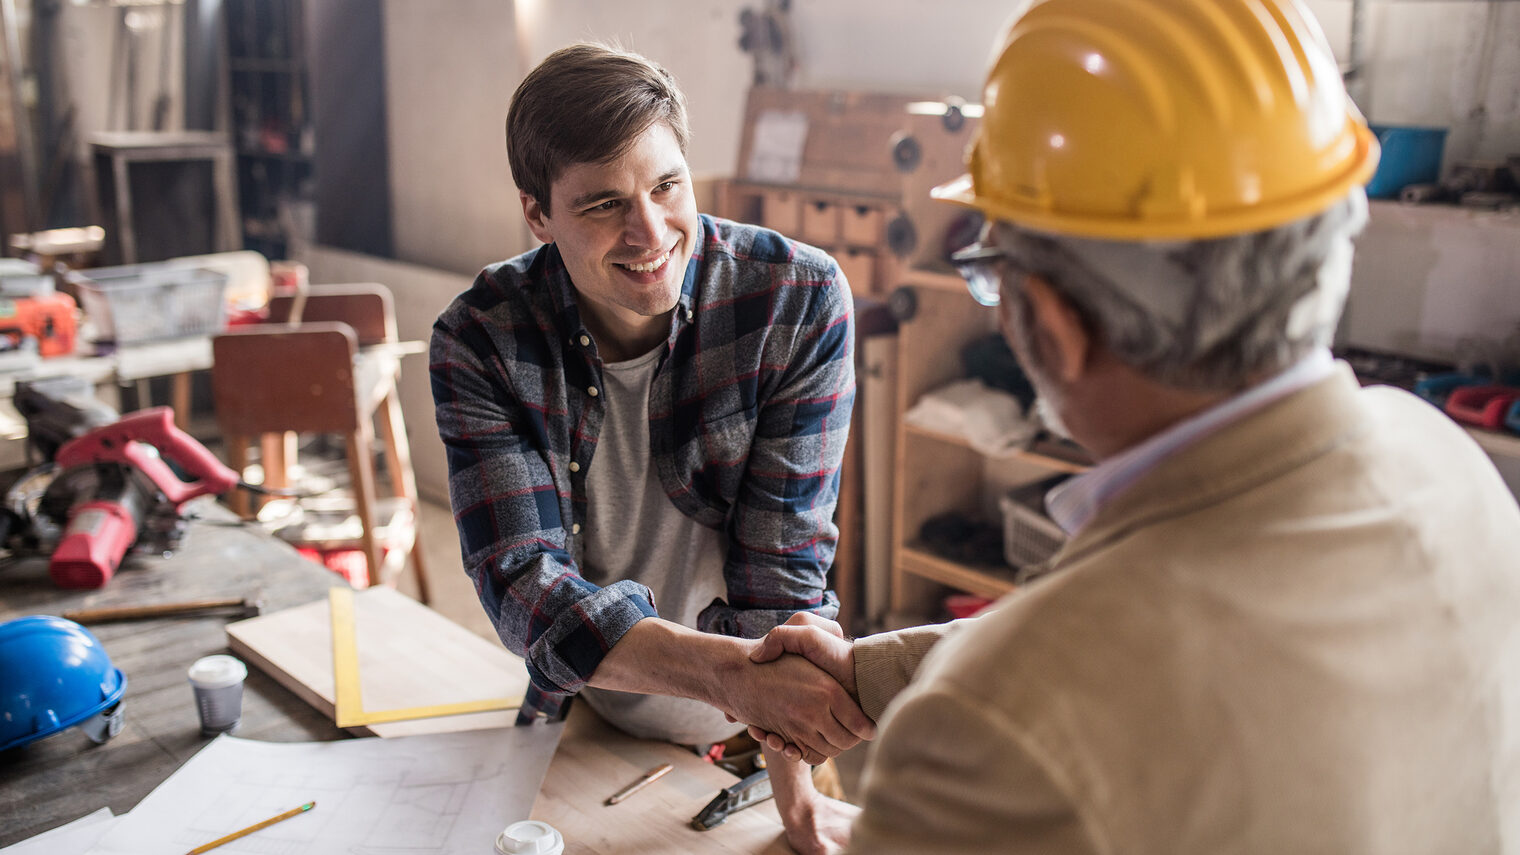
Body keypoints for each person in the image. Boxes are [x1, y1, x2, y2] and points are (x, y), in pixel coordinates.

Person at [746, 0, 1520, 851]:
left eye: (994, 277)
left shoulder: (990, 737)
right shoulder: (1449, 464)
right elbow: (1154, 656)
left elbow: (1087, 674)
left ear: (1054, 319)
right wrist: (873, 673)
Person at [429, 42, 870, 852]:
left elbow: (783, 567)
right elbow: (523, 584)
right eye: (602, 205)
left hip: (759, 745)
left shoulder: (795, 300)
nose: (650, 231)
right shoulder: (482, 338)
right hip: (587, 710)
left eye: (667, 185)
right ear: (537, 214)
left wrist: (796, 805)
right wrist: (726, 672)